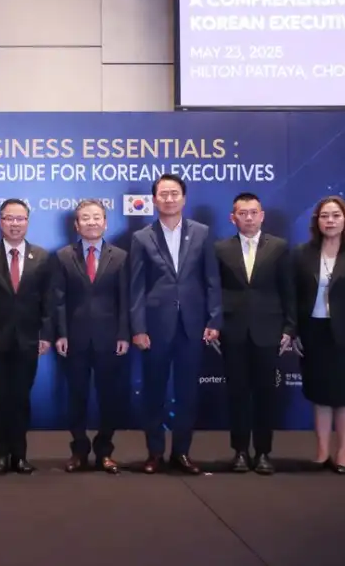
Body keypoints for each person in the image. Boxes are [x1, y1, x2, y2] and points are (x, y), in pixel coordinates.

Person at [130, 174, 222, 475]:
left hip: (192, 325)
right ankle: (155, 453)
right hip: (155, 327)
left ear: (184, 198)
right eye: (163, 194)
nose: (169, 199)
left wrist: (214, 318)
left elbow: (211, 280)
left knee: (187, 394)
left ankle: (182, 452)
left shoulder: (202, 233)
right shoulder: (142, 237)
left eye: (174, 193)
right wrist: (138, 327)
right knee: (154, 393)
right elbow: (136, 287)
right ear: (154, 200)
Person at [293, 195, 345, 474]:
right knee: (320, 395)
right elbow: (294, 296)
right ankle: (321, 453)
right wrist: (294, 331)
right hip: (313, 332)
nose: (330, 221)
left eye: (335, 215)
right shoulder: (302, 253)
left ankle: (343, 454)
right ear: (317, 221)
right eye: (324, 216)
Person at [215, 192, 295, 475]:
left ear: (262, 216)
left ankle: (263, 452)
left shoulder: (279, 247)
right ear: (232, 217)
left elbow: (289, 290)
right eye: (242, 213)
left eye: (253, 212)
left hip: (268, 330)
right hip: (233, 331)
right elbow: (214, 291)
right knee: (236, 394)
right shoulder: (220, 248)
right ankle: (239, 451)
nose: (248, 218)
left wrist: (289, 328)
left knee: (265, 394)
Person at [0, 199, 52, 475]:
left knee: (20, 399)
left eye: (20, 219)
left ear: (27, 222)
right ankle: (0, 456)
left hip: (28, 339)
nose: (15, 224)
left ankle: (20, 456)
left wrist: (46, 334)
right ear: (0, 222)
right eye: (9, 219)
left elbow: (48, 300)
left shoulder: (41, 257)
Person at [51, 199, 130, 474]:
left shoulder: (120, 256)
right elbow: (58, 300)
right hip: (75, 338)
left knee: (109, 397)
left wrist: (124, 333)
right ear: (76, 225)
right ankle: (79, 450)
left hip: (111, 338)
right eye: (85, 218)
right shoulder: (62, 256)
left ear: (105, 223)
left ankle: (105, 451)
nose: (91, 222)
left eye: (97, 217)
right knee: (76, 397)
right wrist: (61, 333)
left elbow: (125, 299)